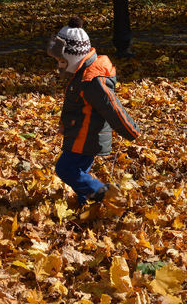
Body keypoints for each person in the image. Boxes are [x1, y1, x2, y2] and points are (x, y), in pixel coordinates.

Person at [46, 17, 141, 205]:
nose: (59, 66)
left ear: (72, 56)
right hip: (79, 134)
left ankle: (106, 194)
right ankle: (88, 204)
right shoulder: (81, 73)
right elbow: (75, 106)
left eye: (61, 61)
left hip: (86, 138)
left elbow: (112, 107)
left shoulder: (92, 80)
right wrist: (65, 125)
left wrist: (131, 130)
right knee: (79, 172)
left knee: (65, 169)